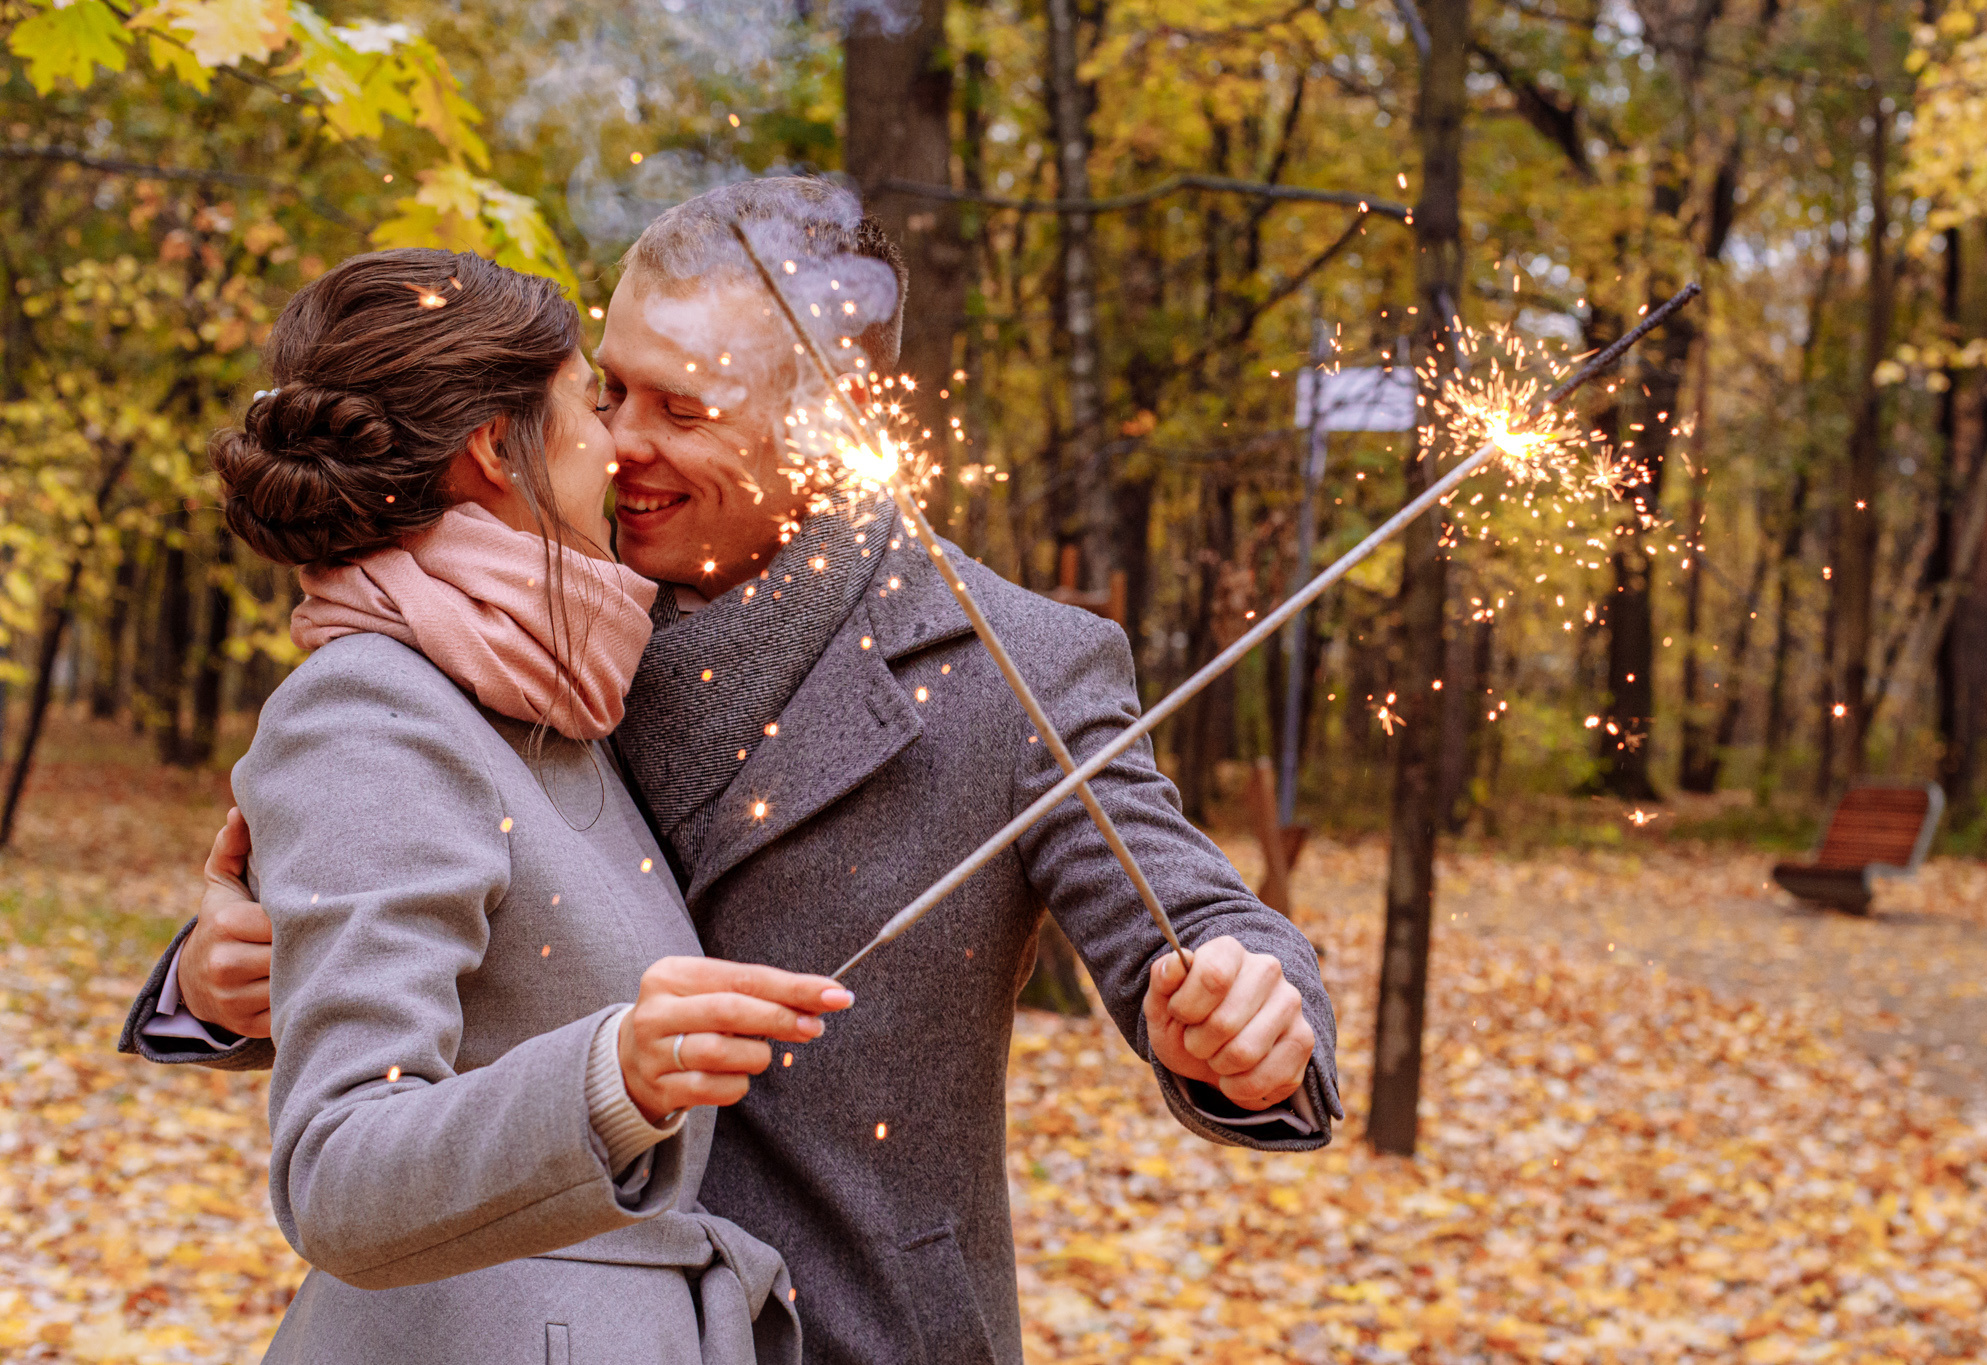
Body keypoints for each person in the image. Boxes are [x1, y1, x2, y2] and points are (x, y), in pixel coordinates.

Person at [126, 178, 1344, 1365]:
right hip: (538, 1321)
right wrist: (218, 978)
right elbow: (397, 927)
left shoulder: (1016, 666)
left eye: (683, 409)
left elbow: (1198, 920)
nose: (620, 441)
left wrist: (1253, 1020)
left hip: (865, 1331)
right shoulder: (517, 626)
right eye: (609, 390)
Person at [121, 246, 852, 1363]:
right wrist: (609, 1076)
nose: (615, 444)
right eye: (588, 403)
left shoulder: (534, 685)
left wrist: (218, 980)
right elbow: (337, 1167)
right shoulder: (371, 706)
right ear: (494, 450)